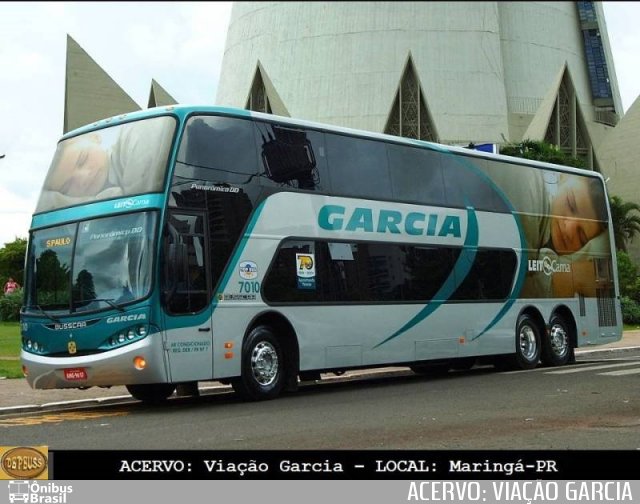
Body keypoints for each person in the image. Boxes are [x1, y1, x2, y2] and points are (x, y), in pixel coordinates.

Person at [484, 164, 610, 298]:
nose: (568, 229)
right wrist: (568, 279)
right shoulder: (529, 187)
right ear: (563, 177)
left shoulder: (550, 249)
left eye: (581, 236)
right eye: (571, 204)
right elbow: (506, 287)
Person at [36, 116, 175, 212]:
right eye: (68, 186)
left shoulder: (137, 134)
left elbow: (133, 211)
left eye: (82, 159)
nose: (84, 178)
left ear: (94, 137)